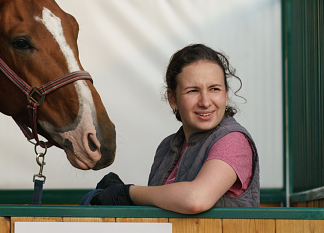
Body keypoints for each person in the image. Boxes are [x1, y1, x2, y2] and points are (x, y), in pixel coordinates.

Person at [86, 44, 260, 214]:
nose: (205, 102)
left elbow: (196, 200)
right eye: (193, 91)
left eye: (214, 89)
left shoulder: (233, 140)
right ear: (172, 99)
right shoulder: (166, 147)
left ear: (226, 95)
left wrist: (127, 193)